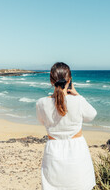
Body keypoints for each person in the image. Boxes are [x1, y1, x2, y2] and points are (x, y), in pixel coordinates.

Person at [36, 62, 97, 190]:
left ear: (51, 81)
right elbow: (92, 115)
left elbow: (42, 121)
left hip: (53, 150)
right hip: (77, 150)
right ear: (69, 81)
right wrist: (77, 94)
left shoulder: (41, 103)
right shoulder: (78, 101)